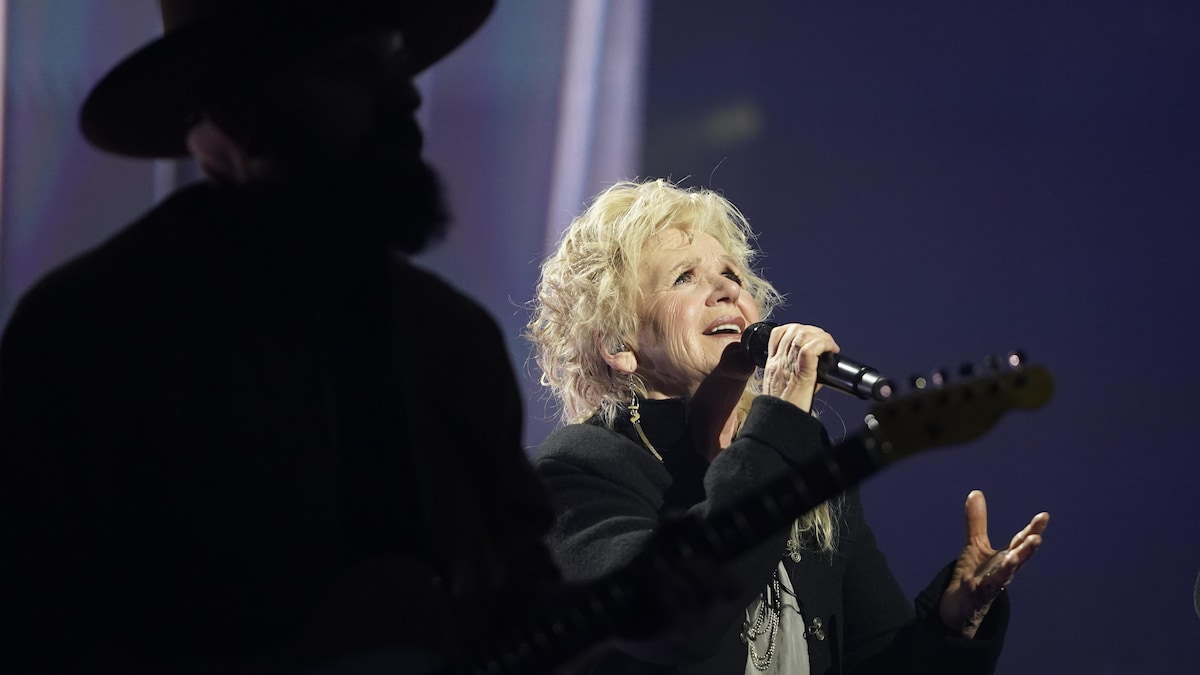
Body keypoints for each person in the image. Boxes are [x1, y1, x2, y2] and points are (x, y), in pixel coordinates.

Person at [0, 1, 561, 672]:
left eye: (395, 60)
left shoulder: (453, 343)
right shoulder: (88, 338)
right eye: (347, 65)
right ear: (231, 111)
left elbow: (524, 601)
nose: (405, 93)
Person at [525, 178, 1052, 674]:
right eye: (685, 277)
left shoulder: (797, 449)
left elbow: (873, 655)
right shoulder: (579, 469)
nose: (725, 291)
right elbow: (673, 619)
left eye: (731, 275)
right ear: (619, 345)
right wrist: (779, 425)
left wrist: (952, 625)